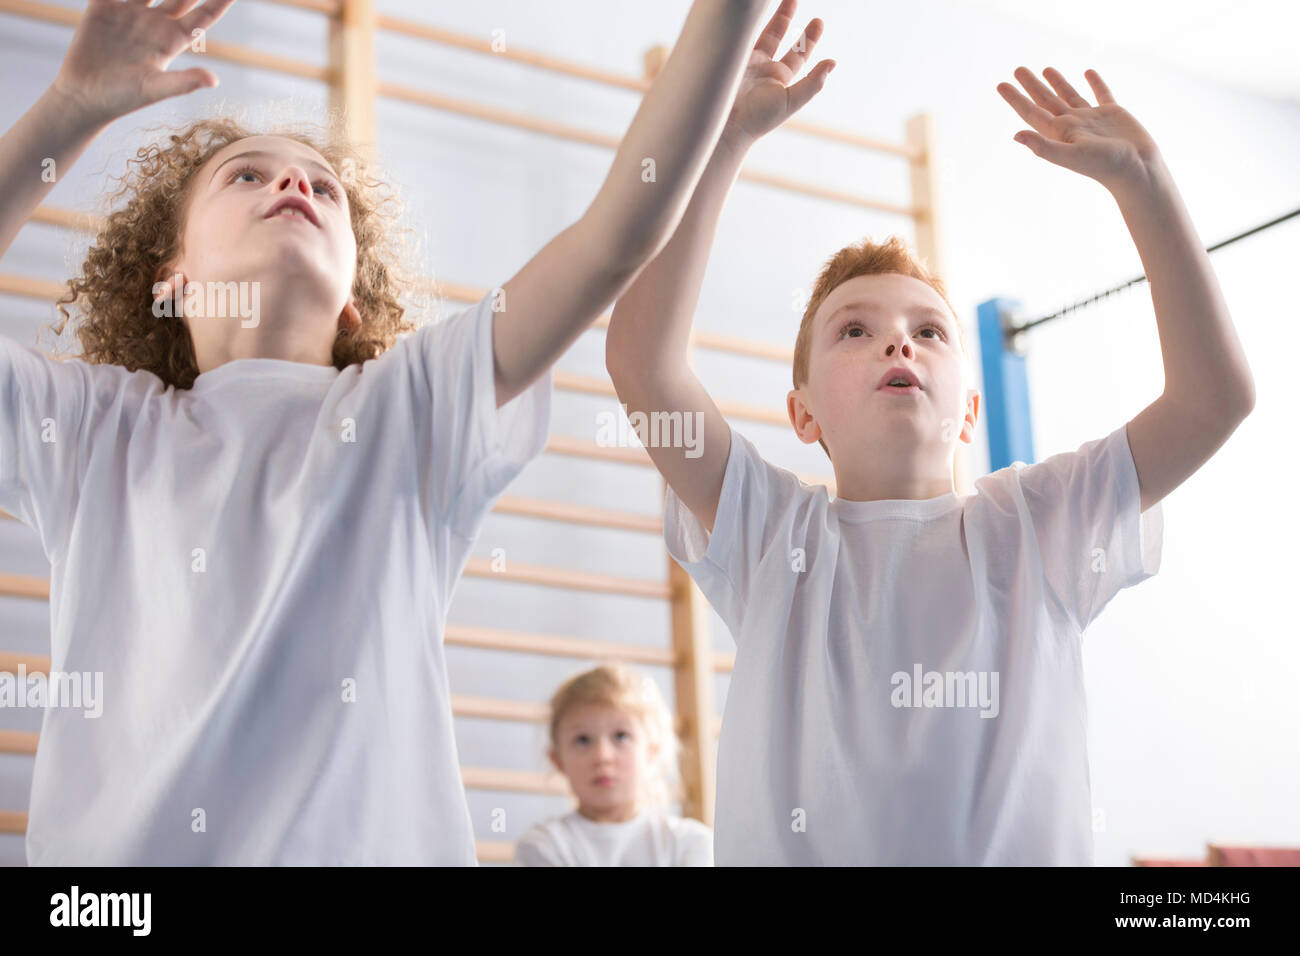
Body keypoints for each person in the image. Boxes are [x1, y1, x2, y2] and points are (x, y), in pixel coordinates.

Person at [0, 0, 773, 864]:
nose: (294, 184)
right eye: (244, 176)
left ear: (352, 302)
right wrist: (71, 107)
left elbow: (612, 239)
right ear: (173, 278)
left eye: (324, 188)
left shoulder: (411, 406)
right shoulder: (95, 429)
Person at [604, 21, 1256, 864]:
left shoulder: (1037, 525)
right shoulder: (772, 536)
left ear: (970, 412)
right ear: (804, 416)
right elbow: (642, 364)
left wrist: (1149, 187)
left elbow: (1215, 399)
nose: (898, 345)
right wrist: (721, 141)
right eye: (854, 331)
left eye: (928, 332)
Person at [514, 664, 712, 866]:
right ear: (558, 760)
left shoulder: (689, 842)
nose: (602, 756)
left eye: (621, 736)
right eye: (582, 740)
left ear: (651, 751)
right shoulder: (544, 844)